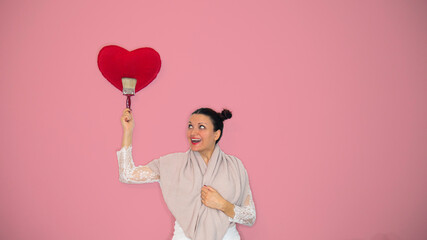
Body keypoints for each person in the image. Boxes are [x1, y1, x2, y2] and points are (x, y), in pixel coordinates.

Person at [117, 107, 256, 240]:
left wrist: (223, 205)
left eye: (201, 127)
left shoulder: (235, 166)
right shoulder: (172, 164)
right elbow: (127, 174)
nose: (193, 132)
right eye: (190, 126)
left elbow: (250, 216)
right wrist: (128, 131)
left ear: (216, 134)